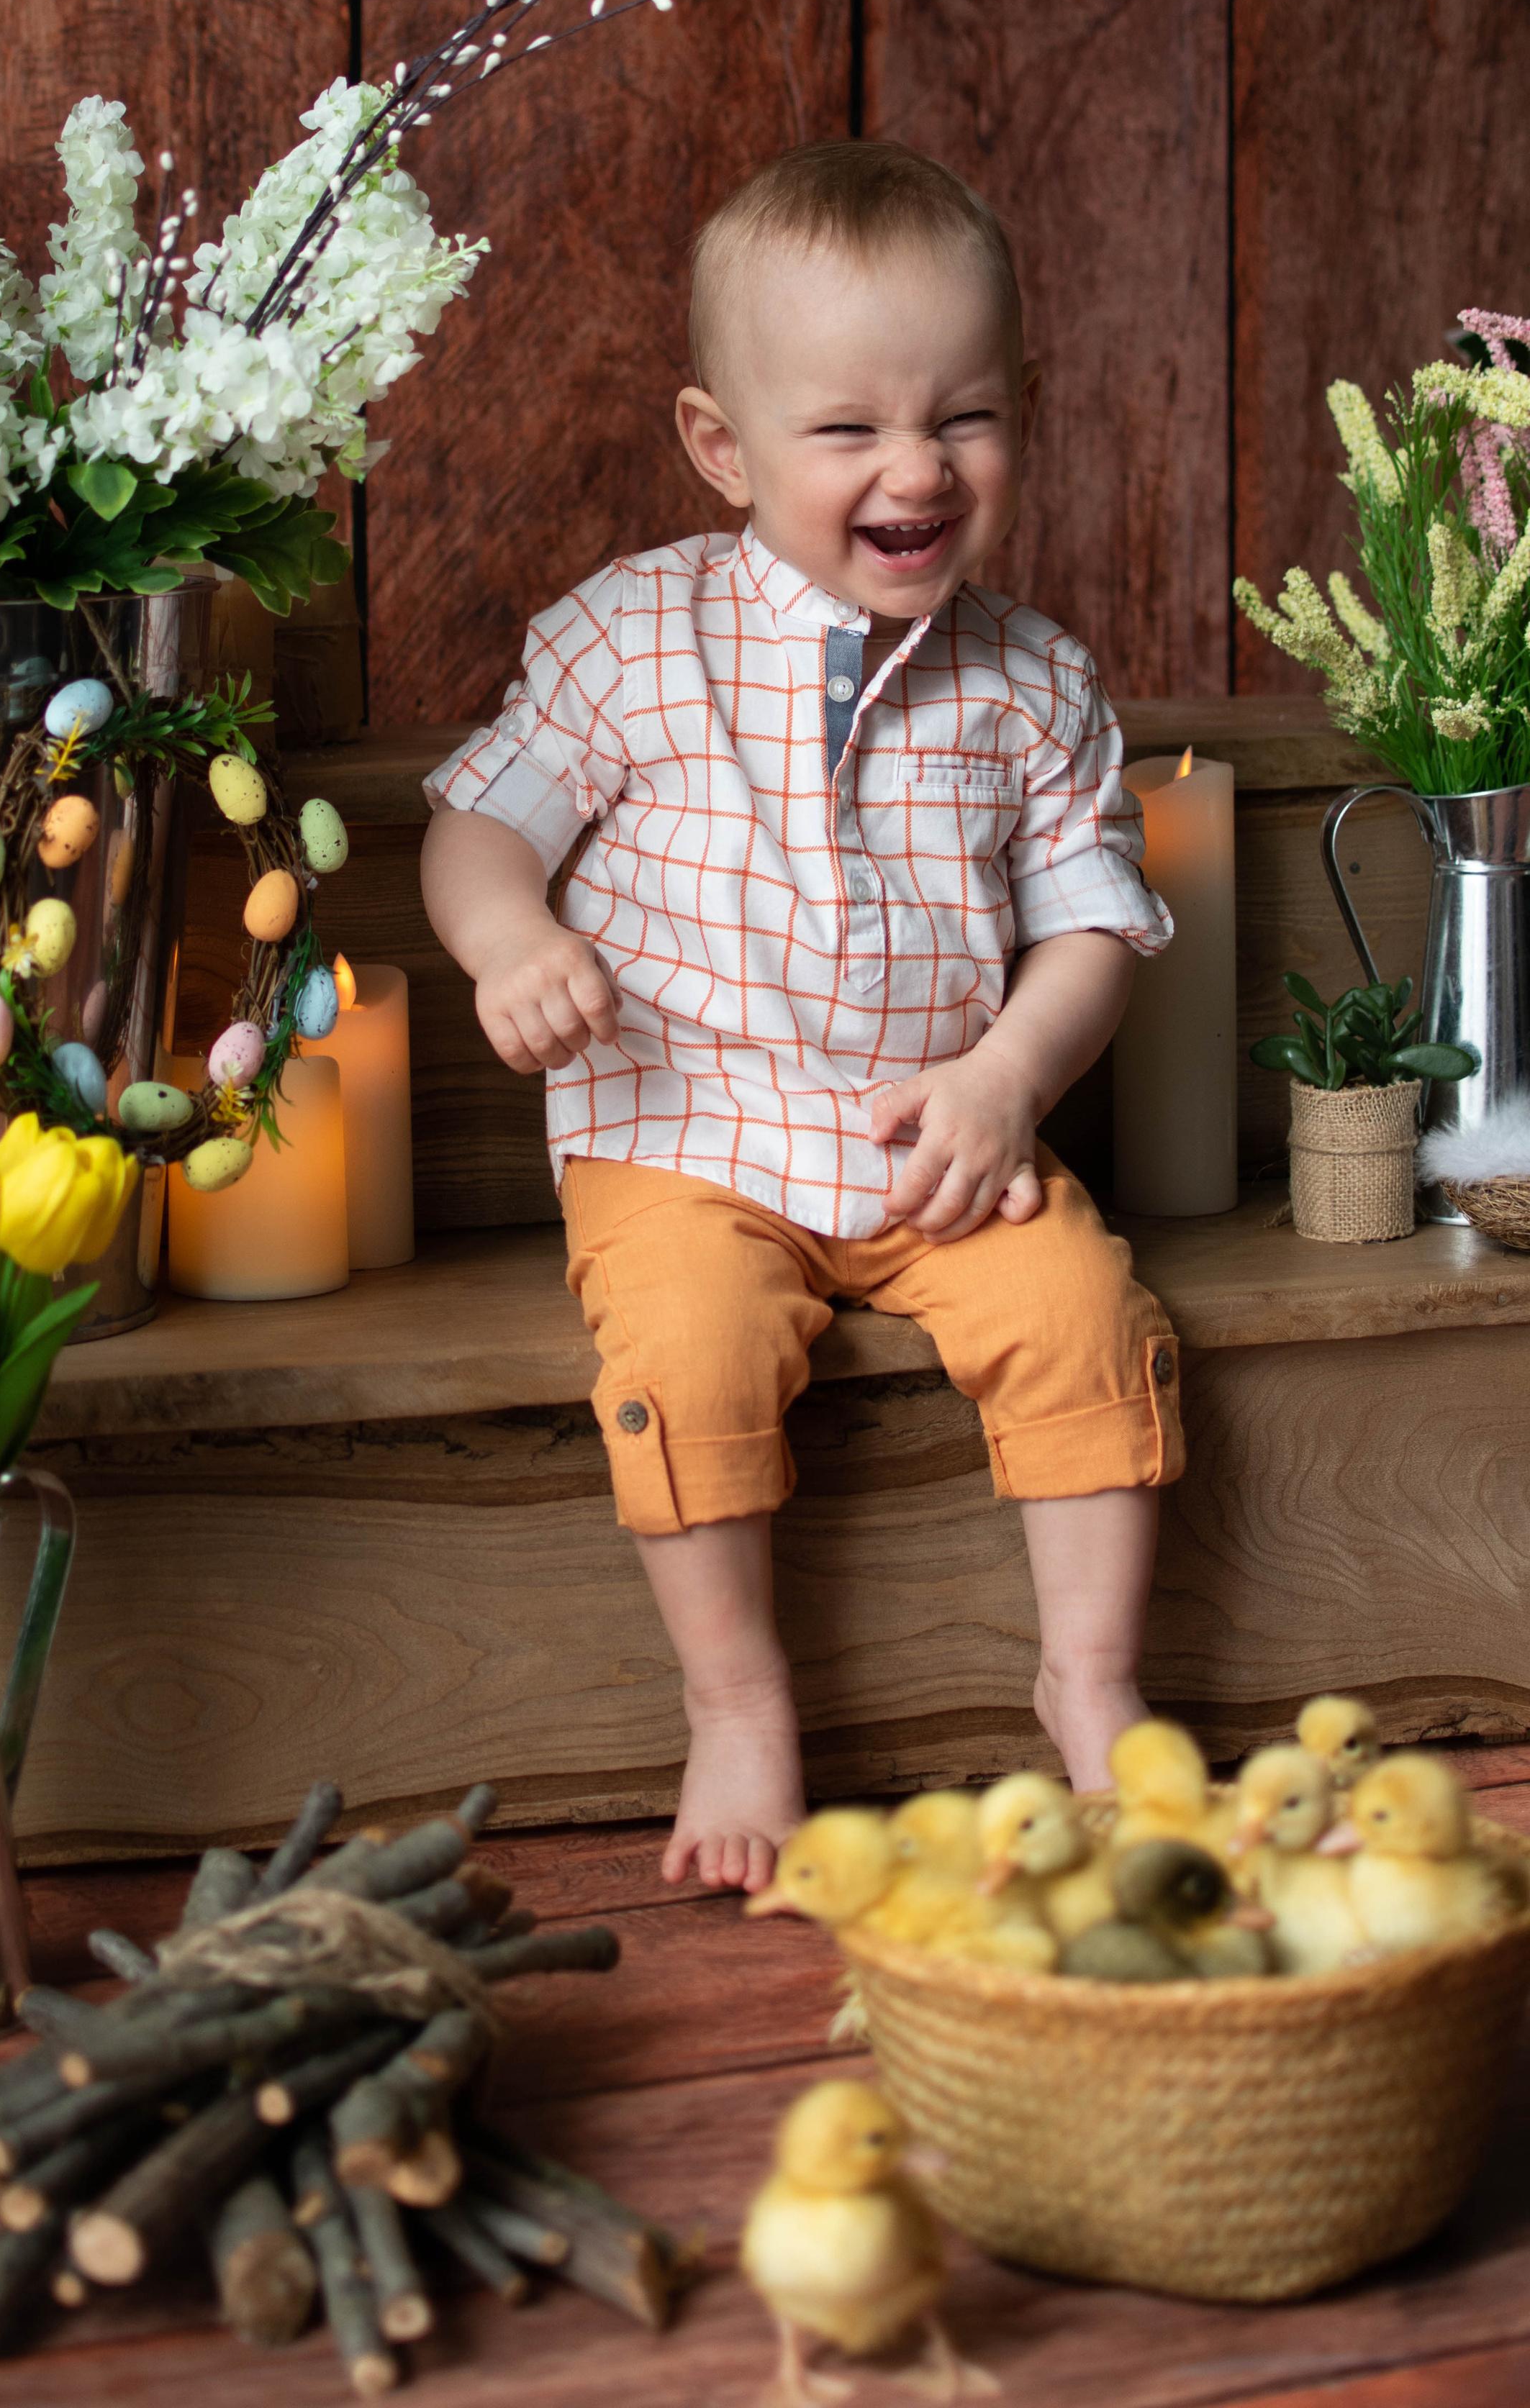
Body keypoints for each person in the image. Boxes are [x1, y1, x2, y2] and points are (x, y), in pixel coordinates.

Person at [419, 139, 1181, 1894]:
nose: (914, 468)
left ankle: (1090, 1681)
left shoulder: (1033, 680)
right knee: (684, 1352)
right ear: (722, 446)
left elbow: (1089, 928)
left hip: (936, 1136)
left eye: (964, 418)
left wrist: (1006, 1075)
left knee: (1080, 1310)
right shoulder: (633, 637)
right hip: (681, 1133)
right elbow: (478, 823)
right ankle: (739, 1700)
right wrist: (504, 938)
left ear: (1023, 408)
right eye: (845, 429)